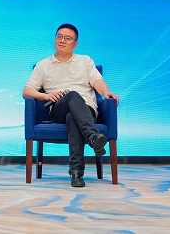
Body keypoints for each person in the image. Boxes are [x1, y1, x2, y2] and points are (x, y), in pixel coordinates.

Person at [23, 23, 120, 188]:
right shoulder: (43, 65)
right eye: (59, 36)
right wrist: (46, 96)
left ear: (75, 44)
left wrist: (106, 93)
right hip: (58, 110)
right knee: (72, 95)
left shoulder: (85, 61)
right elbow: (26, 91)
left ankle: (76, 173)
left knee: (73, 117)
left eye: (67, 38)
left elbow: (98, 81)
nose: (62, 40)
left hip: (87, 110)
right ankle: (93, 136)